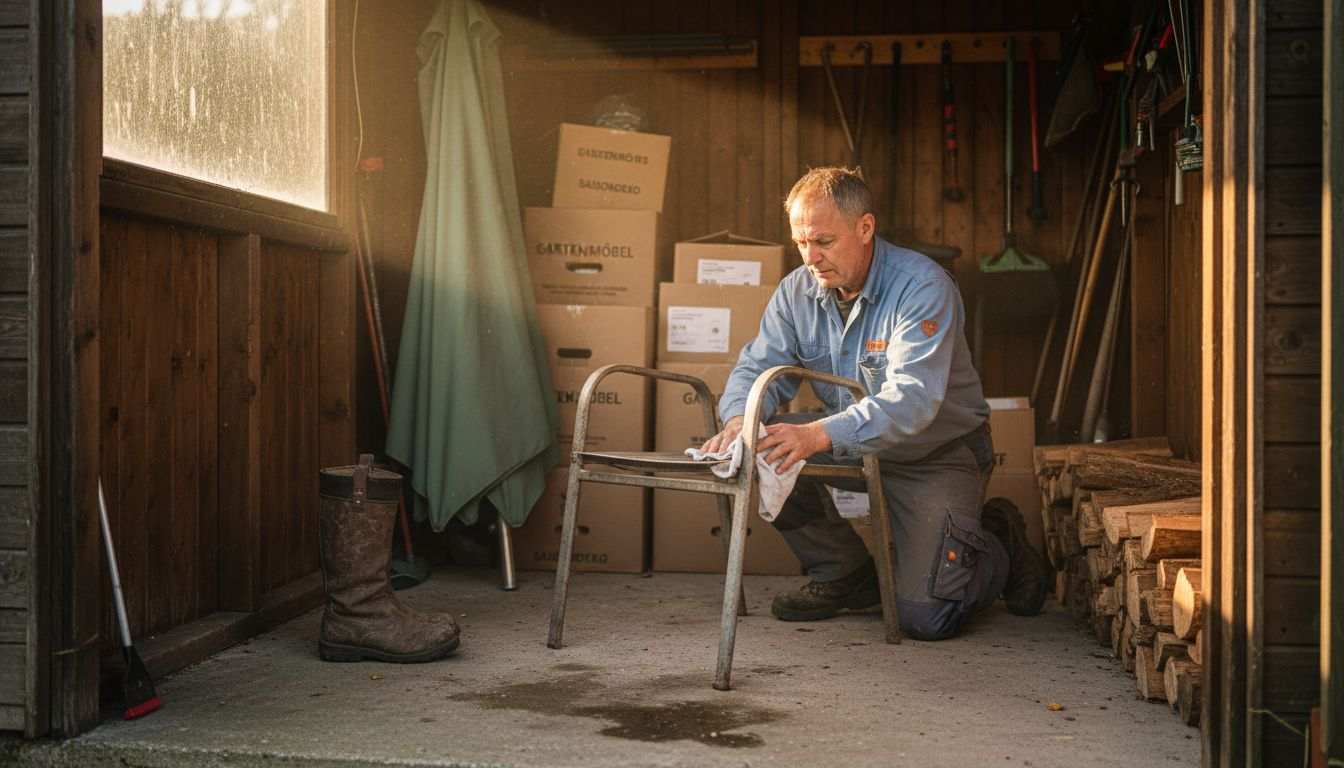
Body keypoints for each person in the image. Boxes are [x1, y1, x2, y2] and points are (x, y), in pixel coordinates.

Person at [700, 166, 1046, 641]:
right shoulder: (796, 290)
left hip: (935, 454)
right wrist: (741, 419)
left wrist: (818, 434)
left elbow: (912, 401)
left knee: (925, 619)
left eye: (823, 241)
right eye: (801, 242)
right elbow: (756, 370)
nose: (811, 257)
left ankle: (994, 543)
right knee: (763, 444)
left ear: (865, 228)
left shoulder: (922, 287)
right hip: (851, 443)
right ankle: (847, 573)